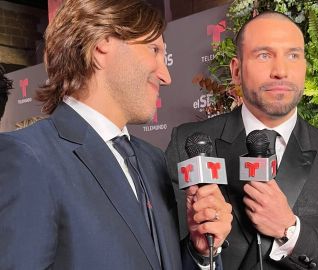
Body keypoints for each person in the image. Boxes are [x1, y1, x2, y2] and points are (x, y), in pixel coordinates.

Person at [0, 0, 232, 269]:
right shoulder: (26, 158)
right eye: (154, 49)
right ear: (101, 45)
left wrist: (200, 253)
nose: (166, 75)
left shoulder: (152, 160)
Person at [166, 11, 318, 269]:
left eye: (293, 55)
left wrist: (289, 230)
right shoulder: (189, 144)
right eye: (264, 55)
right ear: (237, 71)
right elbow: (164, 255)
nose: (281, 71)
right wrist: (202, 252)